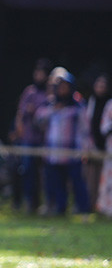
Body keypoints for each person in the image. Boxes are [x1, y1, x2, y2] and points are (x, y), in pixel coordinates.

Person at [35, 67, 90, 215]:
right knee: (56, 184)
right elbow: (38, 121)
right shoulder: (50, 104)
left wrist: (86, 149)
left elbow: (85, 129)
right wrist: (53, 109)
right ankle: (60, 209)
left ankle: (83, 209)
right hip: (53, 152)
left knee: (77, 182)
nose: (63, 89)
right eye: (60, 86)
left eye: (66, 86)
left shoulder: (78, 105)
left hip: (73, 152)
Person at [13, 58, 52, 214]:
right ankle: (29, 202)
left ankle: (44, 204)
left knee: (43, 174)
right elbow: (20, 114)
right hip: (27, 140)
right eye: (37, 72)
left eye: (41, 73)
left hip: (44, 141)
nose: (38, 75)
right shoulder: (29, 92)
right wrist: (19, 134)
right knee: (26, 170)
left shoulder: (50, 94)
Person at [84, 73, 109, 210]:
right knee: (91, 177)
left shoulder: (109, 103)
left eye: (103, 86)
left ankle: (105, 207)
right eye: (98, 85)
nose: (101, 88)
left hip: (107, 147)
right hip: (92, 145)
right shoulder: (91, 102)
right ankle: (91, 205)